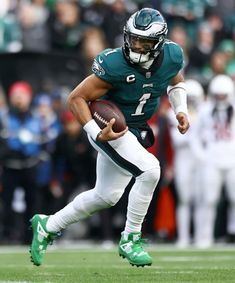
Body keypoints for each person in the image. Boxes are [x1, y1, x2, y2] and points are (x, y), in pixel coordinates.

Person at [30, 8, 190, 267]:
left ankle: (47, 225)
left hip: (135, 129)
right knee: (150, 170)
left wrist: (180, 109)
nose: (136, 45)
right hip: (109, 129)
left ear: (159, 43)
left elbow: (176, 81)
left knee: (106, 195)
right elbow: (76, 99)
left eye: (144, 41)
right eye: (133, 38)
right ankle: (131, 238)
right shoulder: (114, 63)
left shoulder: (172, 55)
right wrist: (96, 132)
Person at [189, 74, 235, 248]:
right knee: (209, 200)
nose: (221, 98)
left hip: (232, 159)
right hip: (213, 159)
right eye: (218, 95)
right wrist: (203, 156)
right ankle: (204, 236)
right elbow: (194, 137)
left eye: (224, 95)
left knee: (234, 198)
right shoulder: (206, 110)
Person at [167, 79, 205, 247]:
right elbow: (177, 140)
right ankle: (183, 236)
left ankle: (201, 236)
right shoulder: (172, 114)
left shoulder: (205, 112)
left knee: (200, 199)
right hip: (182, 158)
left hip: (200, 158)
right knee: (184, 199)